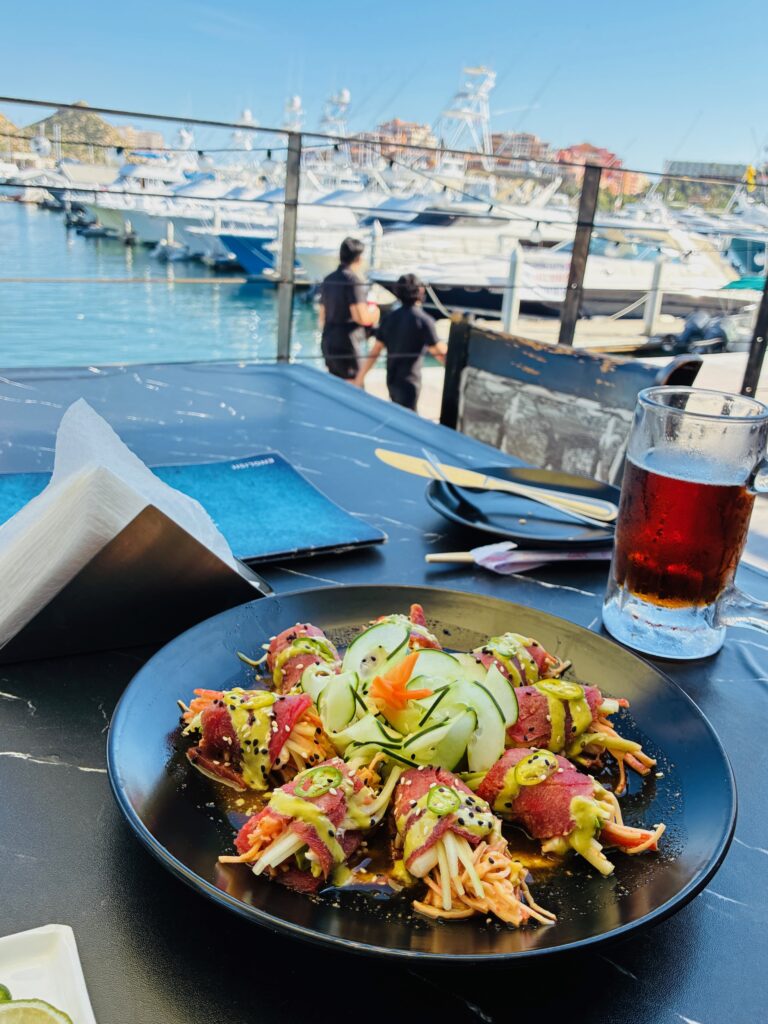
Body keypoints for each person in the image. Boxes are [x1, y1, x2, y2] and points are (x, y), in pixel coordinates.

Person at [355, 273, 447, 411]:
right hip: (411, 382)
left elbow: (375, 351)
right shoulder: (424, 321)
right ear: (420, 291)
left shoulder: (389, 318)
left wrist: (360, 377)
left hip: (391, 379)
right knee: (409, 415)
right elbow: (439, 352)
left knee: (396, 411)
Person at [318, 237, 379, 381]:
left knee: (335, 383)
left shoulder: (328, 279)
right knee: (354, 384)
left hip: (328, 338)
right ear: (359, 258)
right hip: (347, 342)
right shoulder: (353, 281)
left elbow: (321, 317)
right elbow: (360, 317)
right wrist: (375, 313)